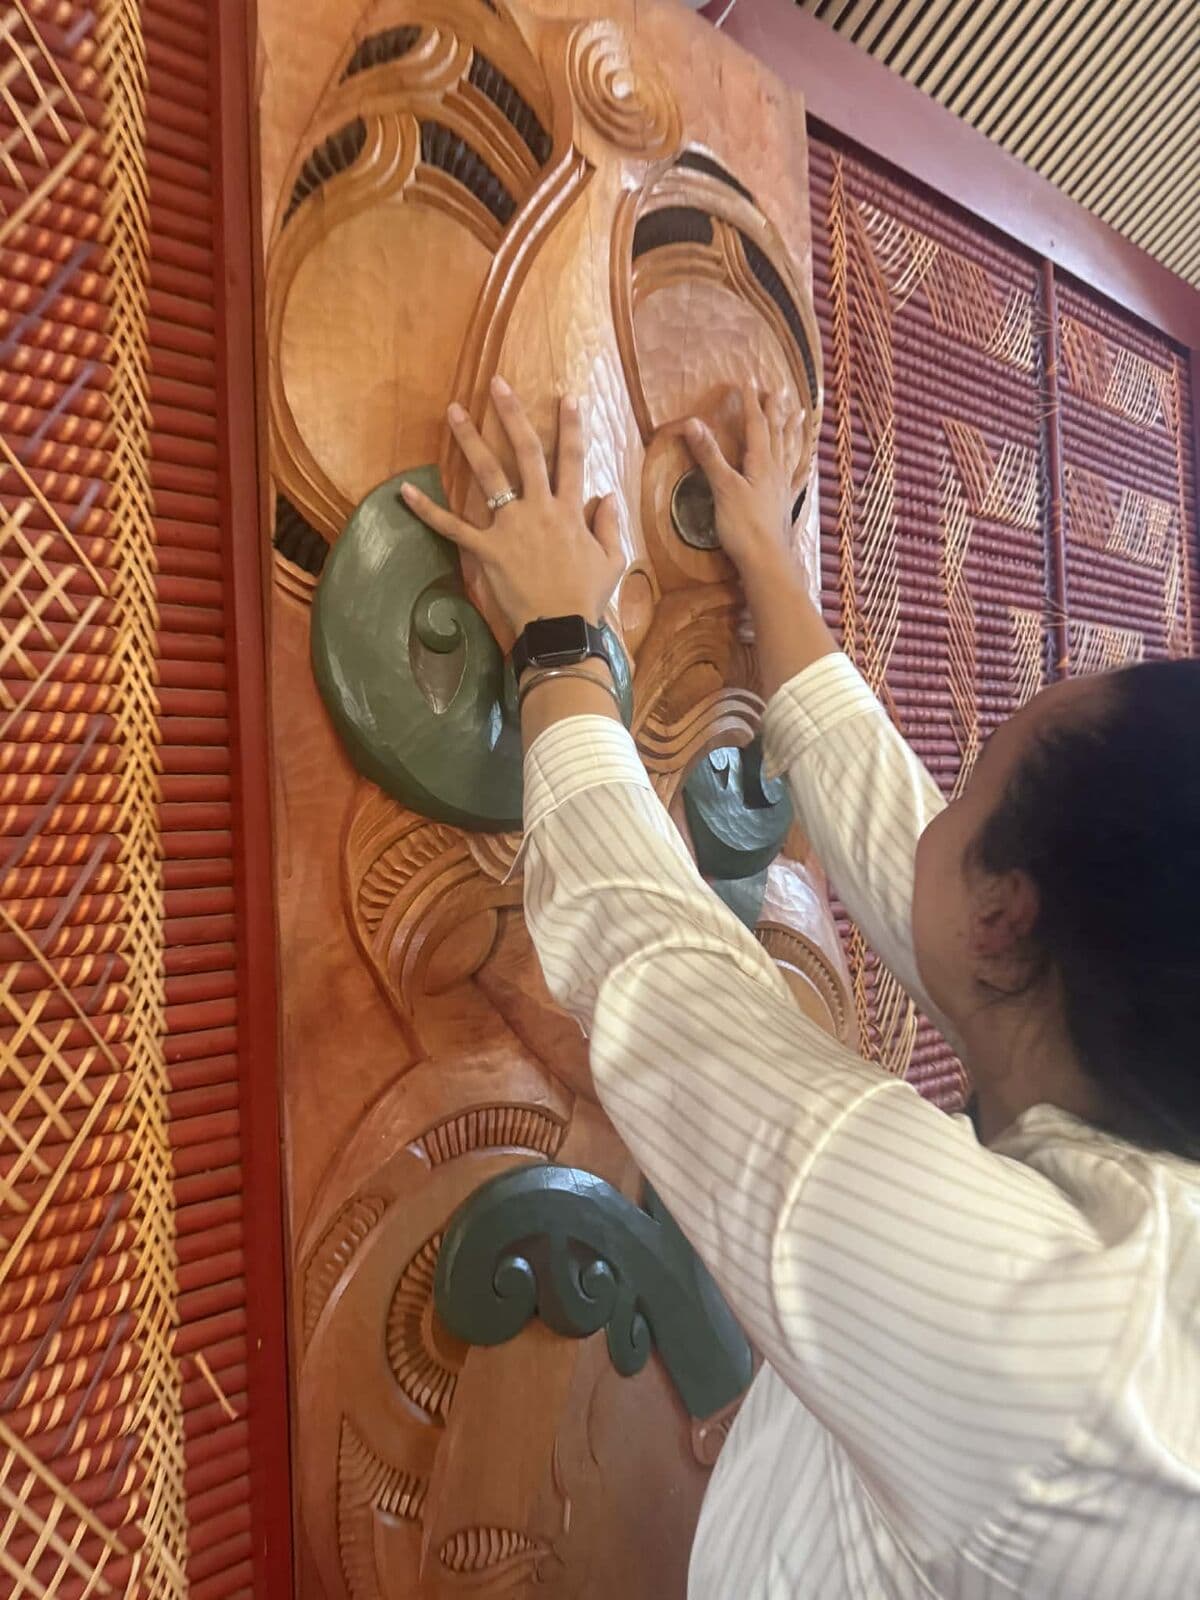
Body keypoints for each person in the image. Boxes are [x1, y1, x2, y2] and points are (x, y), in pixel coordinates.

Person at [399, 377, 1200, 1599]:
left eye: (978, 772)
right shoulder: (1142, 1076)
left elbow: (662, 977)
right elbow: (933, 877)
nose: (947, 796)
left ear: (1012, 914)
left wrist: (561, 640)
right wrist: (770, 566)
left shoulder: (1067, 1348)